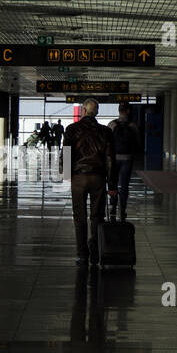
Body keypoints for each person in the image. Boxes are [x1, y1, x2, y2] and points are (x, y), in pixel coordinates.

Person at [62, 98, 116, 264]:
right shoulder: (106, 132)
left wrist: (67, 176)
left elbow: (67, 153)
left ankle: (82, 254)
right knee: (97, 216)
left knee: (79, 216)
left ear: (83, 111)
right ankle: (95, 252)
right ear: (97, 112)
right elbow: (110, 159)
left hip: (78, 177)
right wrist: (112, 184)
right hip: (98, 178)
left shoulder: (72, 129)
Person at [107, 103, 140, 221]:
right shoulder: (133, 125)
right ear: (128, 111)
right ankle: (123, 209)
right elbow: (137, 142)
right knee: (124, 185)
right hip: (127, 158)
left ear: (119, 110)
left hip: (114, 158)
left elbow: (107, 141)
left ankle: (113, 206)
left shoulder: (112, 124)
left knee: (113, 183)